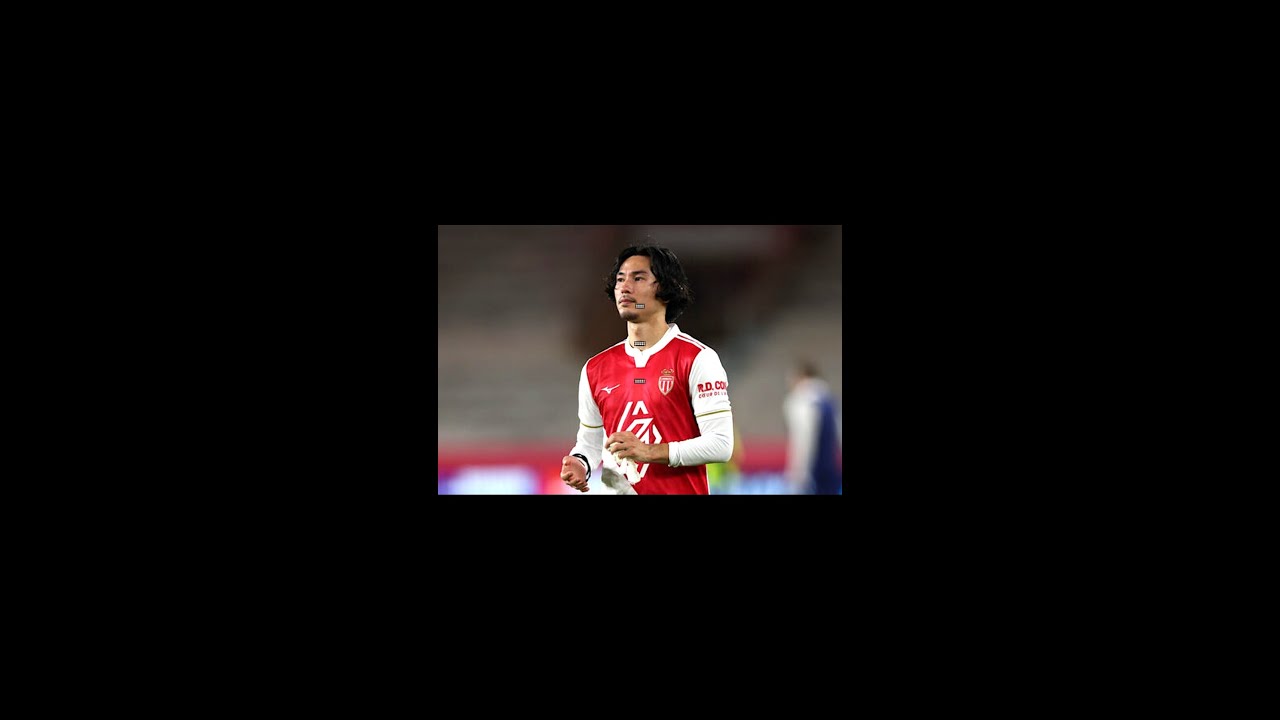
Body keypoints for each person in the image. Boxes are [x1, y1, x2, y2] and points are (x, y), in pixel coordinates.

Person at [558, 243, 734, 495]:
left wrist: (649, 451)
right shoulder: (594, 369)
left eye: (638, 278)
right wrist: (581, 463)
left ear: (666, 288)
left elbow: (721, 444)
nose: (625, 287)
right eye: (620, 279)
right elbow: (590, 443)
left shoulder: (697, 358)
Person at [783, 361, 841, 495]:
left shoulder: (800, 401)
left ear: (802, 376)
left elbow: (803, 439)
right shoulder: (829, 399)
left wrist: (798, 472)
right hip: (830, 468)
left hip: (812, 472)